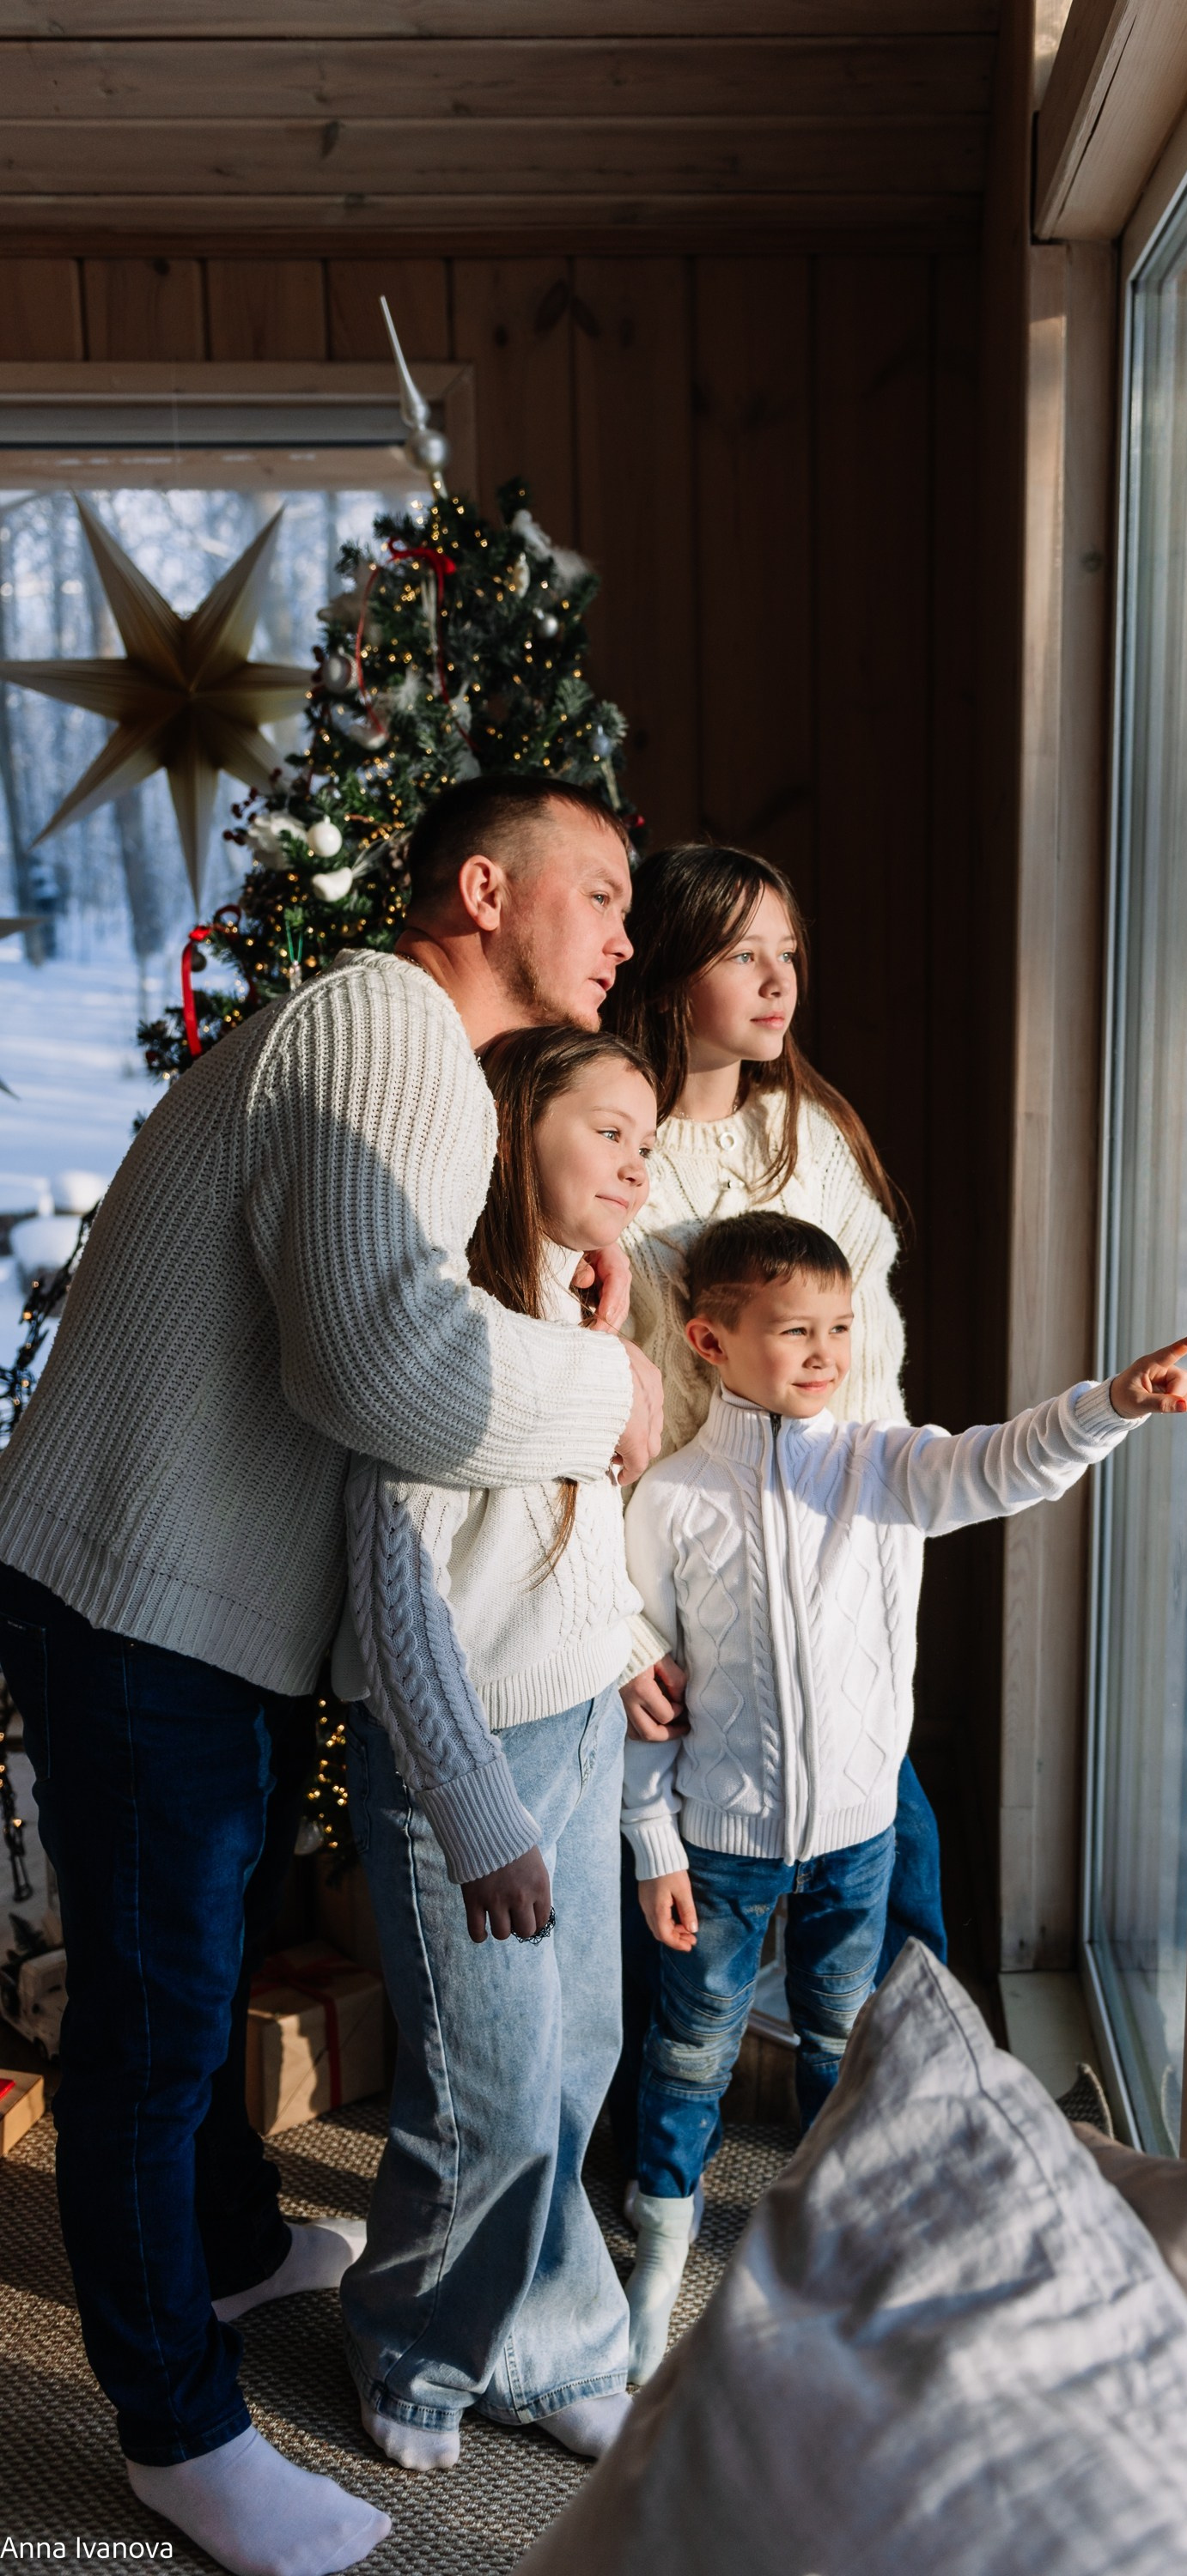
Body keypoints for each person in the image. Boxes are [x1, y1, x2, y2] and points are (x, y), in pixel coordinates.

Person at [0, 772, 662, 2576]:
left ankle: (223, 2249)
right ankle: (175, 2432)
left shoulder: (412, 1054)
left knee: (194, 1974)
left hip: (187, 1596)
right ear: (483, 890)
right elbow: (390, 1363)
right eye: (600, 894)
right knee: (150, 2032)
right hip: (141, 1597)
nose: (624, 935)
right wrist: (611, 1389)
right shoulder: (384, 1024)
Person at [618, 1210, 1187, 2381]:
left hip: (857, 1839)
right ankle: (658, 2247)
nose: (825, 1352)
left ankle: (832, 2237)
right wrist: (652, 1843)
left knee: (844, 2040)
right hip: (718, 1842)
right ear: (709, 1341)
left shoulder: (881, 1467)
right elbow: (649, 1697)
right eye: (794, 1329)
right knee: (692, 2048)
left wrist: (1110, 1407)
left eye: (839, 1327)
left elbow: (1002, 1461)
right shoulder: (672, 1499)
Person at [336, 1026, 663, 2470]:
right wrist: (474, 1811)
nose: (636, 1165)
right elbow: (401, 1592)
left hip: (577, 1719)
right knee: (487, 2090)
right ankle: (413, 2348)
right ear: (514, 1130)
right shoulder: (448, 1332)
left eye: (646, 1140)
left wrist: (626, 1649)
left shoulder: (575, 1320)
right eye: (606, 1131)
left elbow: (564, 1543)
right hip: (460, 1753)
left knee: (577, 2055)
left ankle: (549, 2347)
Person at [606, 841, 943, 2191]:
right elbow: (601, 1412)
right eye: (742, 952)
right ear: (668, 967)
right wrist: (625, 1627)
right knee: (681, 1903)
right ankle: (650, 2175)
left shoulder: (809, 1134)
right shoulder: (613, 1140)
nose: (776, 979)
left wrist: (883, 1551)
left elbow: (876, 1364)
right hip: (693, 1584)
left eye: (788, 953)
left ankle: (908, 2149)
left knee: (892, 1862)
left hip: (839, 1567)